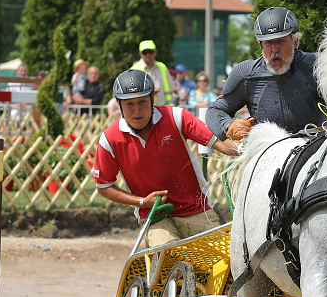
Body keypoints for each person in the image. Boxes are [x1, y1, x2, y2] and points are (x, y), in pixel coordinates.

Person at [93, 70, 240, 246]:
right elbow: (104, 186)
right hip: (154, 215)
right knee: (168, 257)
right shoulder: (110, 139)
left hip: (196, 209)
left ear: (152, 99)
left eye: (142, 102)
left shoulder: (176, 117)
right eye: (129, 104)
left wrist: (248, 149)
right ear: (119, 104)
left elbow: (218, 142)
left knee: (220, 262)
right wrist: (141, 202)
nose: (137, 110)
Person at [206, 7, 324, 142]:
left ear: (295, 42)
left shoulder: (317, 65)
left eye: (281, 41)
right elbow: (215, 110)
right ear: (261, 46)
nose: (275, 49)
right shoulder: (246, 72)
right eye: (268, 43)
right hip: (267, 153)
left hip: (316, 152)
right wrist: (229, 125)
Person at [131, 40, 177, 106]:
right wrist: (149, 92)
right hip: (144, 110)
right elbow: (132, 94)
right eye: (145, 52)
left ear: (155, 52)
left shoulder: (162, 67)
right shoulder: (134, 70)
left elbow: (171, 89)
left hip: (164, 109)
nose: (148, 54)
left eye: (150, 52)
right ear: (140, 53)